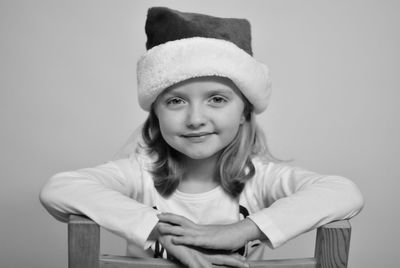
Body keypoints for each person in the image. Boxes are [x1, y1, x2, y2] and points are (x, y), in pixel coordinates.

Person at [39, 7, 364, 268]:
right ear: (156, 114)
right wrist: (159, 230)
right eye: (176, 101)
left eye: (217, 99)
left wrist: (239, 231)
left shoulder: (260, 178)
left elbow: (343, 193)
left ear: (245, 113)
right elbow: (59, 189)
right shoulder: (140, 173)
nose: (195, 119)